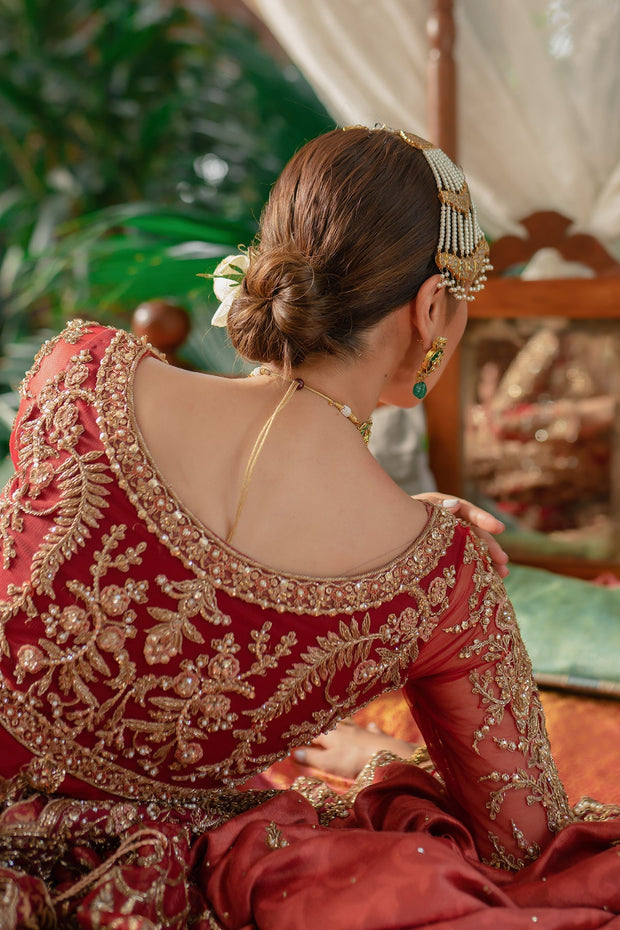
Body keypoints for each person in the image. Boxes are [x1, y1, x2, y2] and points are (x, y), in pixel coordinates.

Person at [0, 126, 618, 929]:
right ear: (433, 309)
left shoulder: (80, 373)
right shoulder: (442, 578)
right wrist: (388, 768)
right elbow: (524, 841)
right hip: (127, 897)